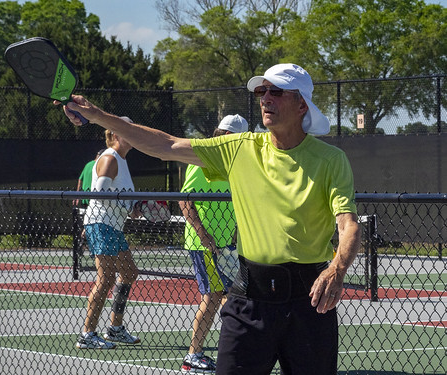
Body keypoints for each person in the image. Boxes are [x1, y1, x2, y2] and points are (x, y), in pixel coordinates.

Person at [59, 63, 361, 374]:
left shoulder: (330, 160)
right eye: (262, 91)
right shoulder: (240, 148)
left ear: (302, 104)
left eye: (276, 91)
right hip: (249, 300)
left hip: (310, 301)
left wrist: (337, 269)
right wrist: (98, 116)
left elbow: (348, 224)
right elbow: (166, 145)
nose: (265, 98)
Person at [179, 114, 248, 373]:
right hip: (203, 244)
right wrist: (204, 235)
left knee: (233, 297)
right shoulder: (202, 160)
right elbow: (185, 200)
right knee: (213, 296)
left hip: (227, 246)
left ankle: (236, 350)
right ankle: (193, 355)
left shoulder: (234, 163)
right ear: (226, 136)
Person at [75, 117, 142, 349]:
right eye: (126, 130)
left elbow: (117, 197)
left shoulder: (122, 160)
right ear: (114, 135)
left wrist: (131, 209)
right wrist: (125, 205)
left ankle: (115, 328)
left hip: (113, 226)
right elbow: (99, 193)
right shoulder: (109, 158)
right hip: (101, 224)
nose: (131, 133)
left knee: (129, 272)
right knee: (106, 279)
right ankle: (87, 334)